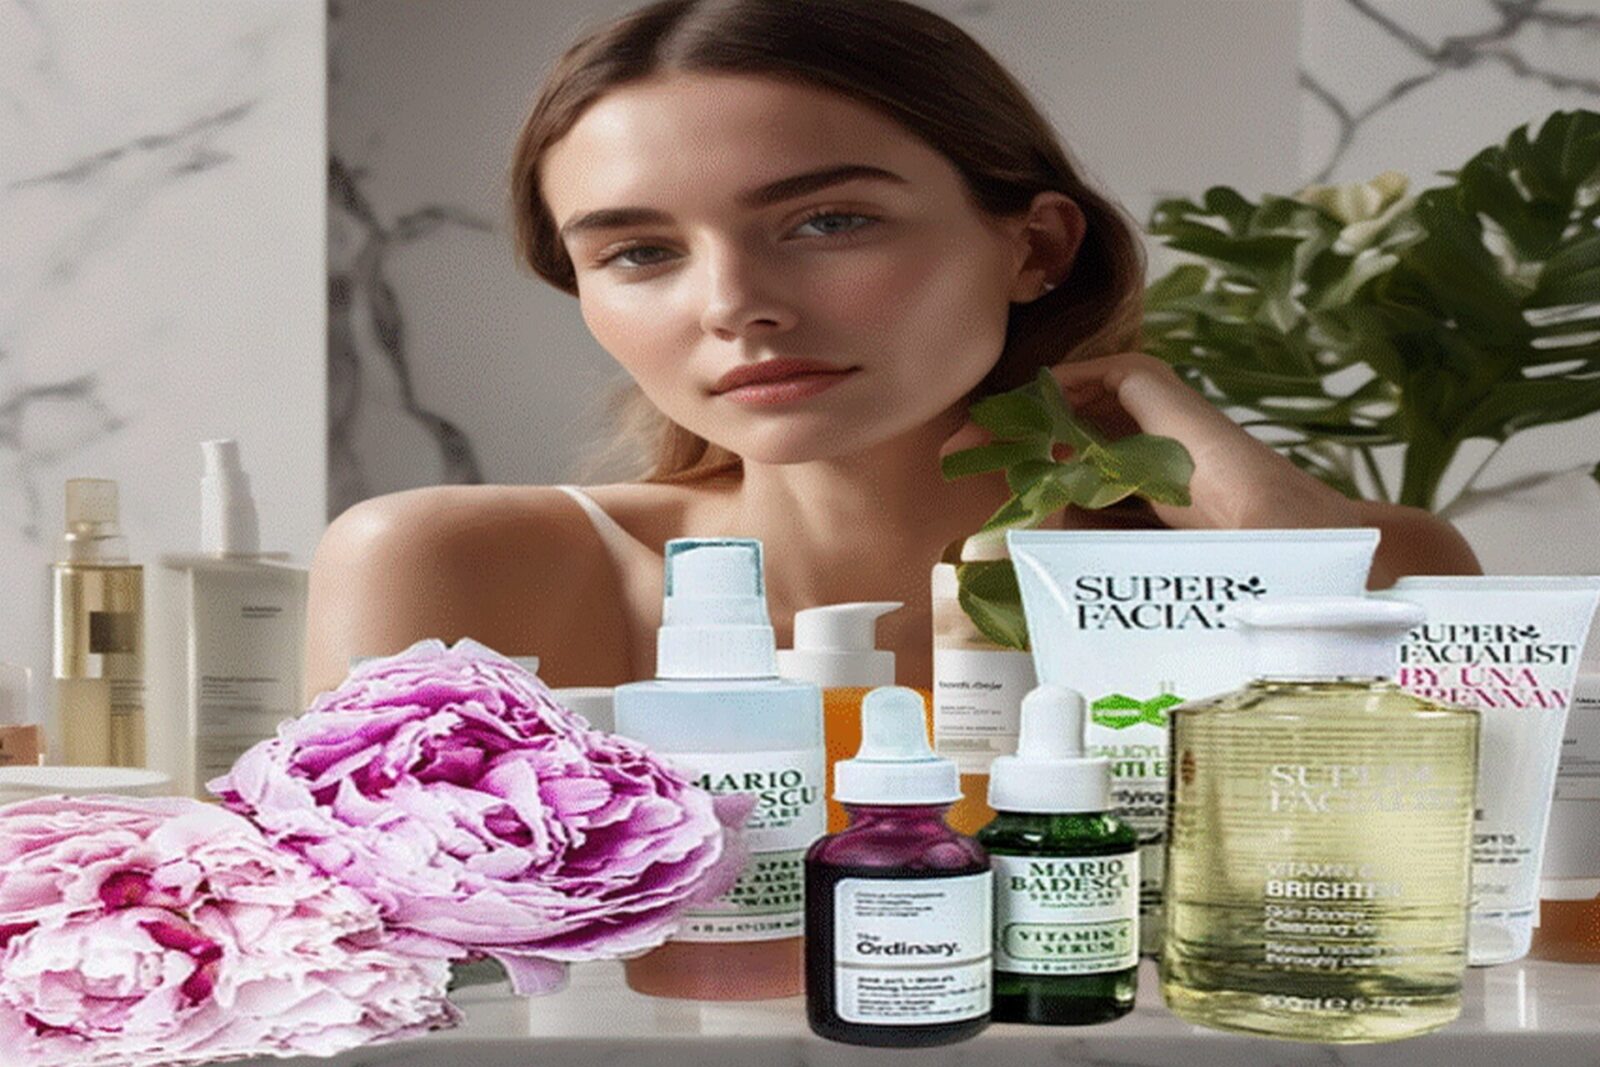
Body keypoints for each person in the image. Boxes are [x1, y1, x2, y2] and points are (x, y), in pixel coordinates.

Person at [306, 0, 1478, 698]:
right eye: (638, 252)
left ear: (1035, 247)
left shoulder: (1380, 567)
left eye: (828, 221)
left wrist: (1230, 491)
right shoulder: (454, 572)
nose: (735, 304)